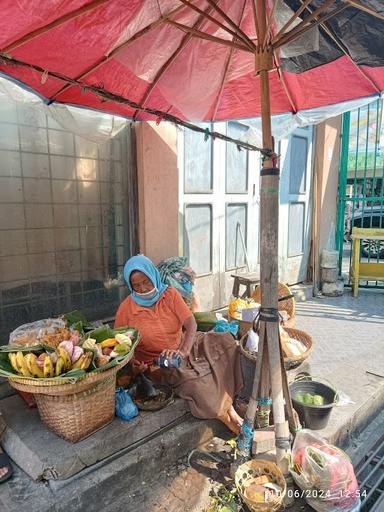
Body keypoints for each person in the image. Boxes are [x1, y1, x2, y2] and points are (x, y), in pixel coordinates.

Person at [115, 255, 244, 433]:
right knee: (201, 387)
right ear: (130, 287)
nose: (143, 289)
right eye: (136, 286)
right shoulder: (126, 309)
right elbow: (122, 347)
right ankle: (231, 421)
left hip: (185, 346)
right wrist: (134, 365)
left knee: (227, 343)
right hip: (161, 363)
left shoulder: (169, 294)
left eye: (146, 282)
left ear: (153, 276)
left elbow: (191, 323)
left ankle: (231, 409)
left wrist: (183, 351)